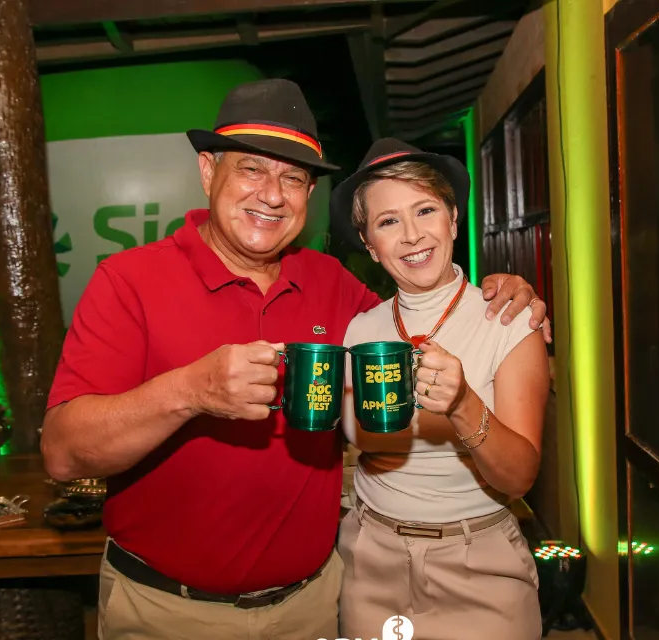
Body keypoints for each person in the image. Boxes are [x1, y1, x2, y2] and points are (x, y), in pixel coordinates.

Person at [40, 79, 550, 640]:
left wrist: (509, 292)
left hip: (312, 606)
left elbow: (421, 303)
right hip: (167, 611)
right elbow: (63, 454)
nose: (272, 195)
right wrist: (189, 391)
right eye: (251, 169)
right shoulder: (129, 281)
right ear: (208, 172)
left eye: (293, 178)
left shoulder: (333, 287)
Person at [333, 138, 550, 640]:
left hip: (480, 566)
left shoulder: (509, 322)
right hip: (371, 560)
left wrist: (462, 404)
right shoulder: (359, 331)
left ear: (453, 219)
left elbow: (519, 477)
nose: (412, 235)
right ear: (370, 245)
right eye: (388, 221)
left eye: (425, 210)